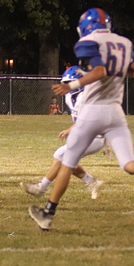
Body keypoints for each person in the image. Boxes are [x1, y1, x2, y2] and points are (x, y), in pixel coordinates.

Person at [28, 8, 134, 231]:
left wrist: (72, 85)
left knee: (68, 162)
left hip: (92, 111)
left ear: (86, 27)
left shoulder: (87, 42)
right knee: (128, 163)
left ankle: (48, 213)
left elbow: (100, 71)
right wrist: (118, 71)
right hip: (115, 112)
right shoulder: (123, 43)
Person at [21, 67, 105, 200]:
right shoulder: (69, 97)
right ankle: (91, 181)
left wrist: (70, 130)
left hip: (95, 137)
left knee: (62, 155)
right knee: (63, 156)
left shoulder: (87, 97)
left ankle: (41, 188)